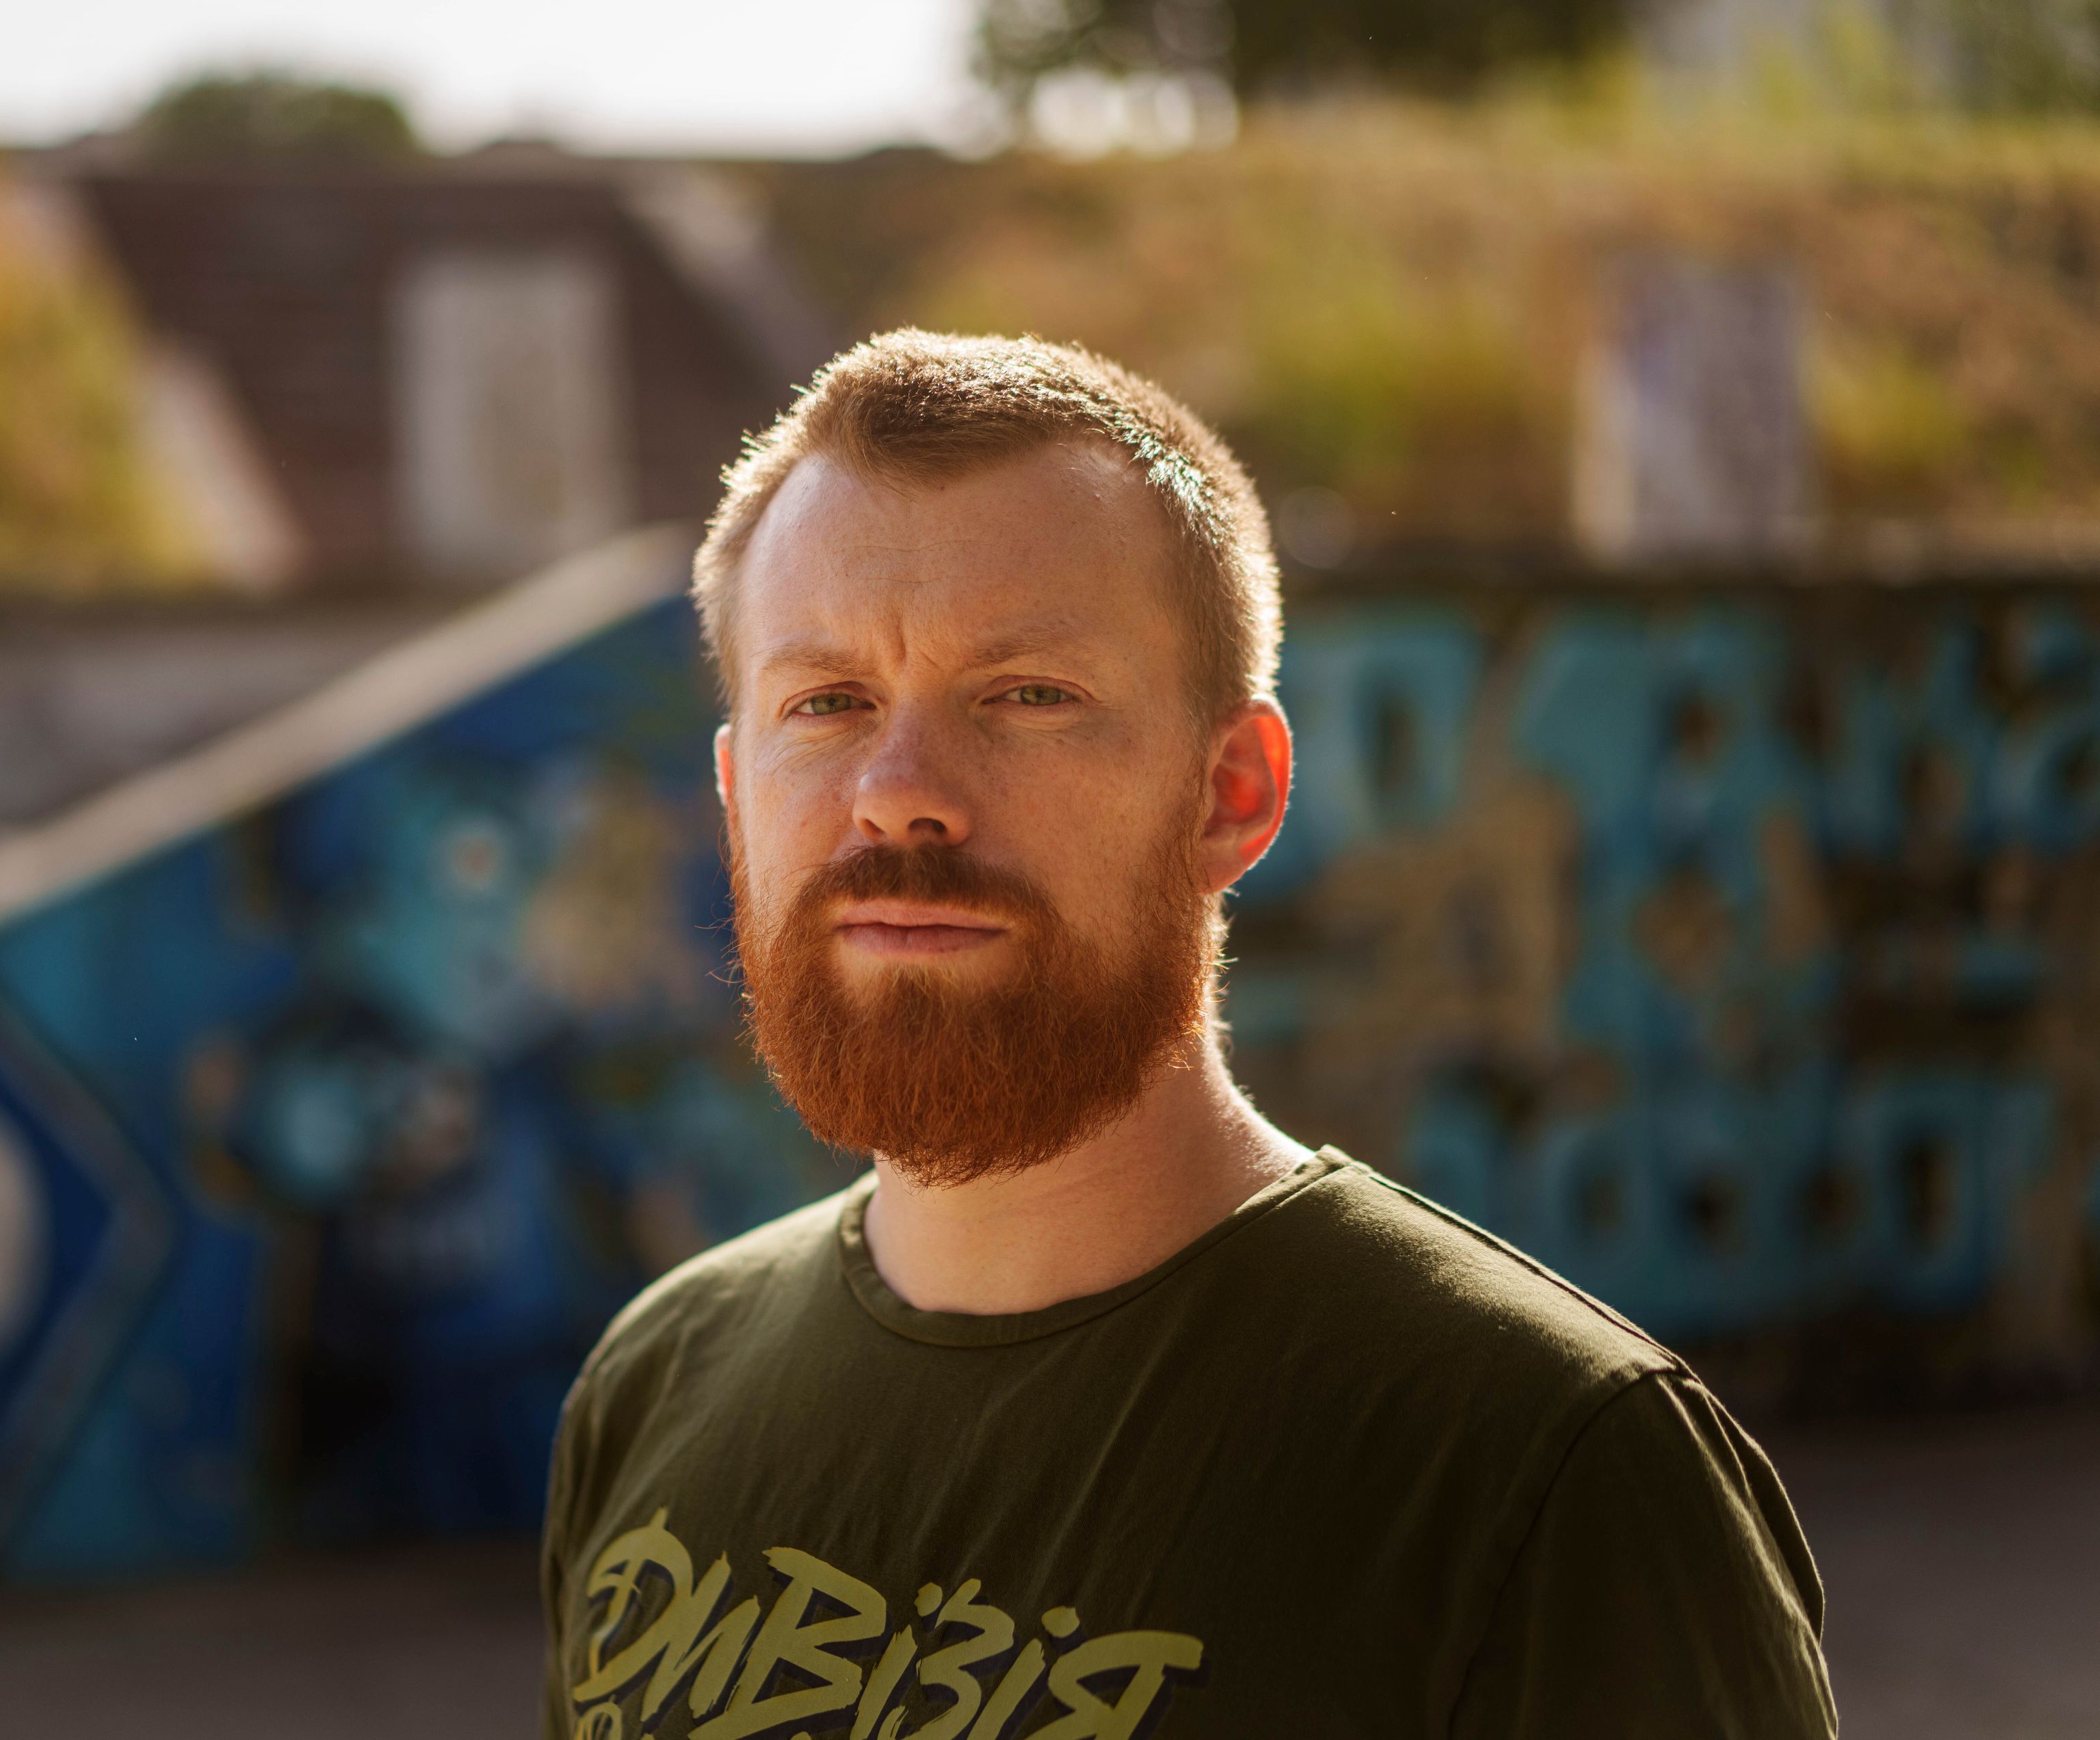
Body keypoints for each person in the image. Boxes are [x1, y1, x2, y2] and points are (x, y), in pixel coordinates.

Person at [540, 332, 1835, 1739]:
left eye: (1027, 693)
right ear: (735, 794)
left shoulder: (1550, 1471)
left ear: (1233, 791)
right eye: (827, 702)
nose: (898, 794)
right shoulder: (655, 1384)